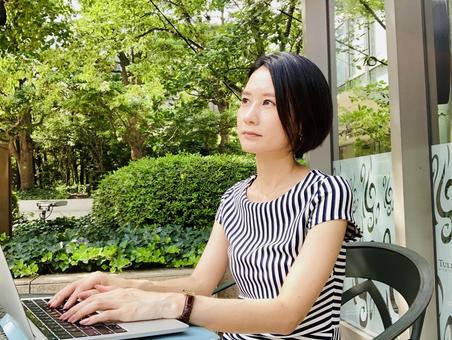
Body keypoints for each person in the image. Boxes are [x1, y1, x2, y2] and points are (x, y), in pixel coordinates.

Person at [48, 52, 361, 339]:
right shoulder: (234, 198)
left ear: (304, 118)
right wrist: (124, 285)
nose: (249, 116)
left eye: (270, 103)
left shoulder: (326, 193)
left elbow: (285, 315)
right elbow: (201, 284)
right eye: (245, 100)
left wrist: (169, 305)